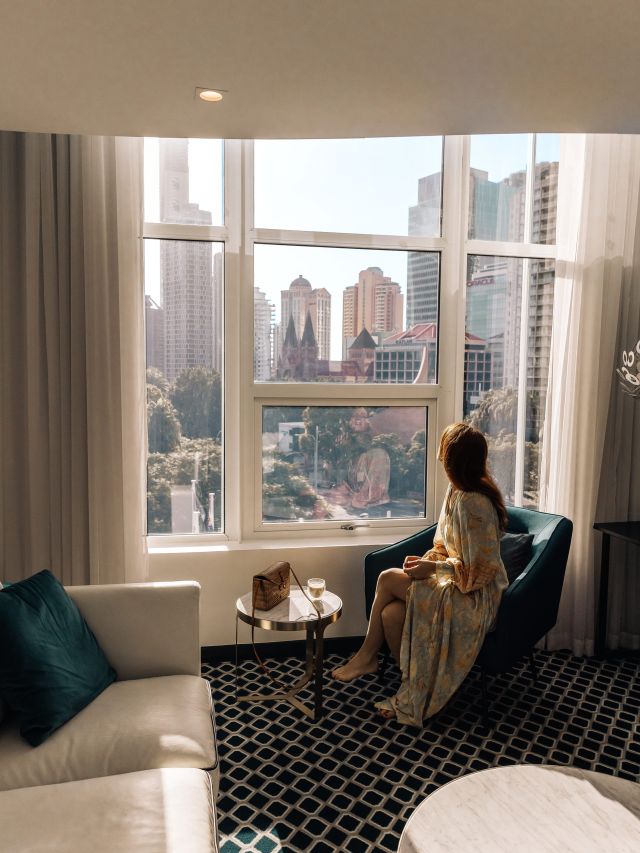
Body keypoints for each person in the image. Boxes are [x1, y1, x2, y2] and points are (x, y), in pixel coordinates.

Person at [331, 422, 509, 726]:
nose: (440, 460)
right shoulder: (456, 492)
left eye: (444, 455)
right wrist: (428, 561)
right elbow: (443, 543)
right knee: (390, 615)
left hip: (474, 597)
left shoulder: (475, 503)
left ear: (455, 460)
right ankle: (410, 684)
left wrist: (434, 568)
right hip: (452, 581)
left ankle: (367, 656)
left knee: (387, 578)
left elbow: (482, 570)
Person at [327, 407, 390, 509]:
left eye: (361, 417)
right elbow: (347, 486)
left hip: (373, 510)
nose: (355, 421)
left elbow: (373, 491)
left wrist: (352, 501)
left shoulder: (377, 454)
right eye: (352, 418)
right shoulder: (352, 458)